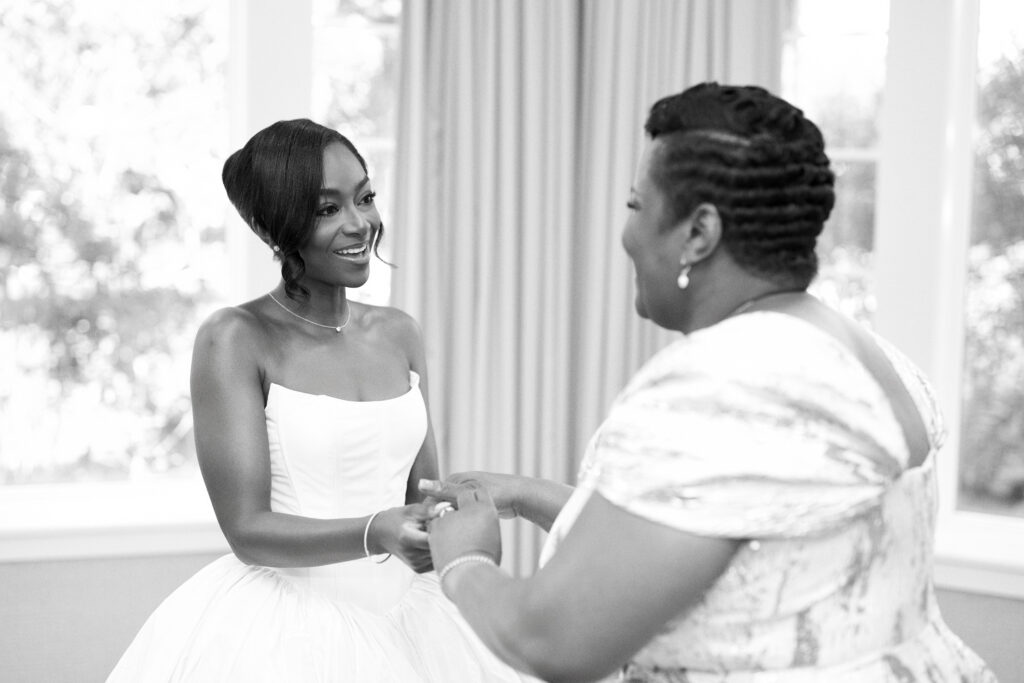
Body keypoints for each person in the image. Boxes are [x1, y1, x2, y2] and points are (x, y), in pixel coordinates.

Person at [421, 83, 997, 682]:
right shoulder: (859, 351)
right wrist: (524, 493)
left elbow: (553, 640)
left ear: (698, 233)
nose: (626, 234)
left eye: (635, 206)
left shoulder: (725, 384)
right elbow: (732, 548)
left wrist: (464, 560)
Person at [108, 119, 534, 682]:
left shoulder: (400, 332)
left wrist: (463, 514)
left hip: (414, 623)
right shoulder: (235, 338)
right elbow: (246, 531)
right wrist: (375, 532)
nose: (361, 224)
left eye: (365, 198)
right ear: (275, 226)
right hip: (288, 633)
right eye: (327, 209)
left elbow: (421, 495)